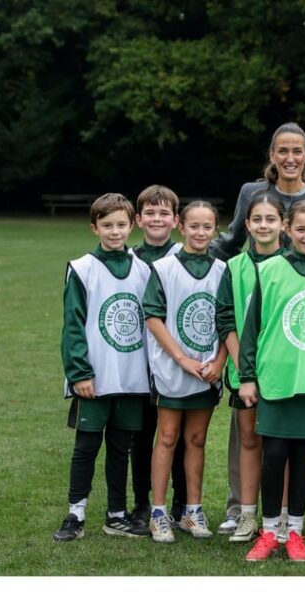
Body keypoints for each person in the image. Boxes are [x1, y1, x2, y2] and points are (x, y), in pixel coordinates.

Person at [238, 200, 305, 562]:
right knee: (273, 456)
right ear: (287, 228)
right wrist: (247, 377)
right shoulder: (268, 269)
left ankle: (295, 533)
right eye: (301, 228)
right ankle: (269, 532)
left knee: (302, 458)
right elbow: (251, 328)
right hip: (275, 379)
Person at [53, 193, 151, 541]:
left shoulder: (143, 269)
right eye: (107, 225)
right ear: (94, 227)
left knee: (120, 449)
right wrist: (79, 371)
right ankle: (75, 514)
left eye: (121, 224)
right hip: (94, 377)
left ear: (132, 225)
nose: (114, 231)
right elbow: (73, 324)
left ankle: (116, 514)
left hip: (132, 377)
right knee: (87, 446)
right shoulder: (82, 268)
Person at [143, 202, 227, 543]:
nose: (200, 232)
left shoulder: (223, 269)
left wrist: (219, 361)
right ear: (182, 227)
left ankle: (193, 510)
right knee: (167, 436)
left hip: (206, 369)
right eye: (194, 226)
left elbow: (227, 320)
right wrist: (181, 359)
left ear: (215, 229)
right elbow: (153, 316)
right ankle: (159, 512)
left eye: (207, 226)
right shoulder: (163, 268)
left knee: (196, 439)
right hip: (173, 368)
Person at [215, 191, 287, 542]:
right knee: (248, 440)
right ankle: (246, 514)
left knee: (281, 447)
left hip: (282, 373)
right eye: (256, 219)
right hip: (245, 376)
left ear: (283, 225)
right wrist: (246, 370)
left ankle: (284, 515)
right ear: (246, 224)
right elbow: (226, 318)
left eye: (270, 219)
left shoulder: (291, 265)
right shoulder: (234, 267)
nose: (263, 225)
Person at [127, 185, 187, 533]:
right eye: (149, 212)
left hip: (174, 362)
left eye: (164, 213)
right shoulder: (130, 259)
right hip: (139, 362)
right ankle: (141, 504)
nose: (156, 218)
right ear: (138, 219)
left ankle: (180, 503)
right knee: (142, 435)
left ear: (176, 220)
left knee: (175, 435)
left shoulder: (184, 255)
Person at [212, 122, 305, 259]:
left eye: (297, 151)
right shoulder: (250, 193)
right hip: (261, 278)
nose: (290, 159)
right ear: (272, 155)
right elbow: (230, 245)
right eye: (283, 151)